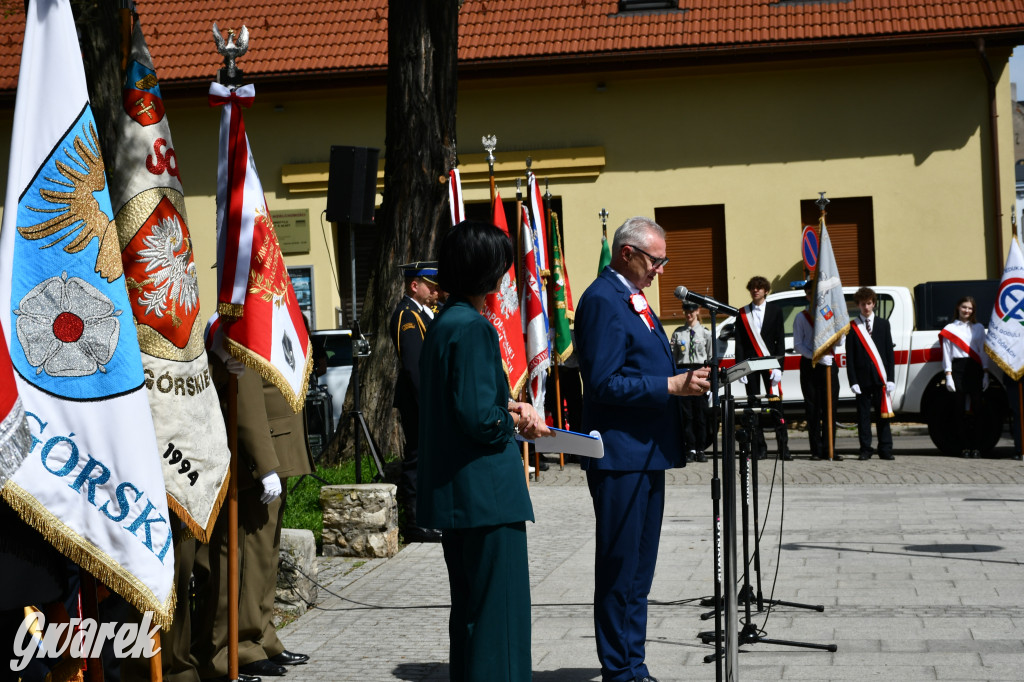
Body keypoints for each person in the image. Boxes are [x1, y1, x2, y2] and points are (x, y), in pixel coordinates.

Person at [575, 216, 711, 682]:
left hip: (646, 453)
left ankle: (634, 664)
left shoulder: (632, 298)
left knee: (639, 571)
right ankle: (619, 669)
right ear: (627, 253)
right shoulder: (601, 300)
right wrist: (670, 385)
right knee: (620, 568)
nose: (662, 270)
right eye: (657, 260)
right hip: (619, 456)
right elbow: (604, 382)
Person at [417, 220, 551, 682]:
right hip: (487, 499)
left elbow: (457, 402)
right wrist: (517, 420)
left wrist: (509, 403)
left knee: (472, 619)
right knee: (500, 625)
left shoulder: (443, 324)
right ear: (486, 272)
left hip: (460, 499)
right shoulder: (474, 329)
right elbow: (478, 419)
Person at [193, 359, 313, 681]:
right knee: (245, 557)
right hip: (258, 453)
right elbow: (245, 394)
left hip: (277, 447)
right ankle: (237, 647)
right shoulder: (247, 312)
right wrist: (263, 461)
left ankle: (261, 635)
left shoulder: (266, 311)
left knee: (265, 558)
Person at [389, 261, 441, 543]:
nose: (435, 291)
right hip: (417, 399)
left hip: (428, 398)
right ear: (414, 285)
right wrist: (428, 404)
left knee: (428, 458)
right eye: (430, 286)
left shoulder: (426, 314)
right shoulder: (406, 315)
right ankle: (416, 523)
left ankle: (429, 517)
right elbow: (414, 367)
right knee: (417, 459)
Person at [735, 275, 791, 460]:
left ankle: (783, 448)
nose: (755, 290)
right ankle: (759, 448)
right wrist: (740, 368)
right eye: (752, 287)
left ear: (766, 290)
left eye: (759, 288)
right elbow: (740, 344)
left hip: (770, 363)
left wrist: (779, 368)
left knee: (776, 404)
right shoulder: (742, 313)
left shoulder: (775, 311)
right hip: (750, 363)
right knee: (753, 405)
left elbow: (780, 341)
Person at [792, 283, 842, 461]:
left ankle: (830, 449)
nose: (813, 296)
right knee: (813, 409)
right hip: (810, 366)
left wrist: (839, 336)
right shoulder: (801, 317)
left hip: (829, 365)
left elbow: (839, 341)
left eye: (816, 293)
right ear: (806, 296)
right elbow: (798, 344)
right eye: (809, 293)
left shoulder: (829, 314)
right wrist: (816, 357)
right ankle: (816, 450)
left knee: (830, 408)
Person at [846, 286, 896, 461]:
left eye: (868, 303)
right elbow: (850, 356)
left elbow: (889, 353)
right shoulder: (852, 327)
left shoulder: (883, 324)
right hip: (862, 380)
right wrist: (853, 381)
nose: (866, 307)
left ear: (874, 304)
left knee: (883, 416)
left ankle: (886, 448)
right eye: (862, 304)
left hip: (880, 378)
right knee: (863, 417)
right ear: (858, 305)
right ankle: (865, 449)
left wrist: (890, 378)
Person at [940, 296, 990, 458]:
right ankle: (963, 447)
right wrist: (948, 374)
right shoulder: (949, 328)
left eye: (970, 308)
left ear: (973, 310)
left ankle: (977, 447)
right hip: (958, 369)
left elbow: (983, 351)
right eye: (964, 307)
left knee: (978, 410)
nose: (966, 310)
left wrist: (986, 373)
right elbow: (946, 353)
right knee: (958, 410)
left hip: (975, 368)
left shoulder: (979, 327)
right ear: (958, 308)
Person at [670, 302, 713, 462]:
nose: (689, 314)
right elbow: (673, 358)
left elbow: (710, 358)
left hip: (700, 374)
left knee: (700, 416)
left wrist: (709, 382)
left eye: (692, 310)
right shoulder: (678, 334)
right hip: (684, 373)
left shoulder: (706, 333)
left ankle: (701, 449)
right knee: (686, 415)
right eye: (686, 310)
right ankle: (690, 448)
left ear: (697, 311)